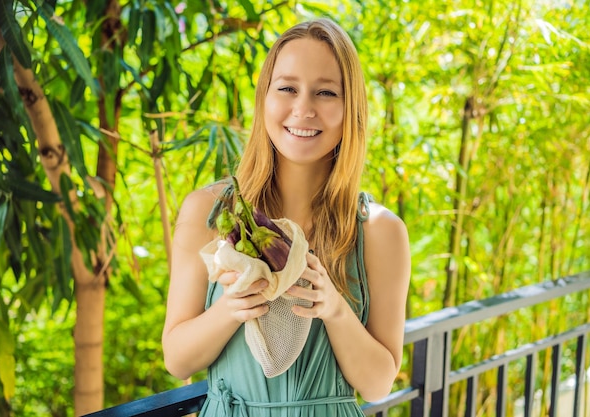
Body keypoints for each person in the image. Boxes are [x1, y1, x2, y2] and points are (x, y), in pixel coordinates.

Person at [162, 17, 411, 416]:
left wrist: (332, 307)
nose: (303, 108)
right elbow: (177, 360)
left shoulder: (380, 231)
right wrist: (232, 307)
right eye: (288, 88)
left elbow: (378, 383)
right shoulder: (208, 212)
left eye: (326, 92)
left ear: (351, 110)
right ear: (265, 98)